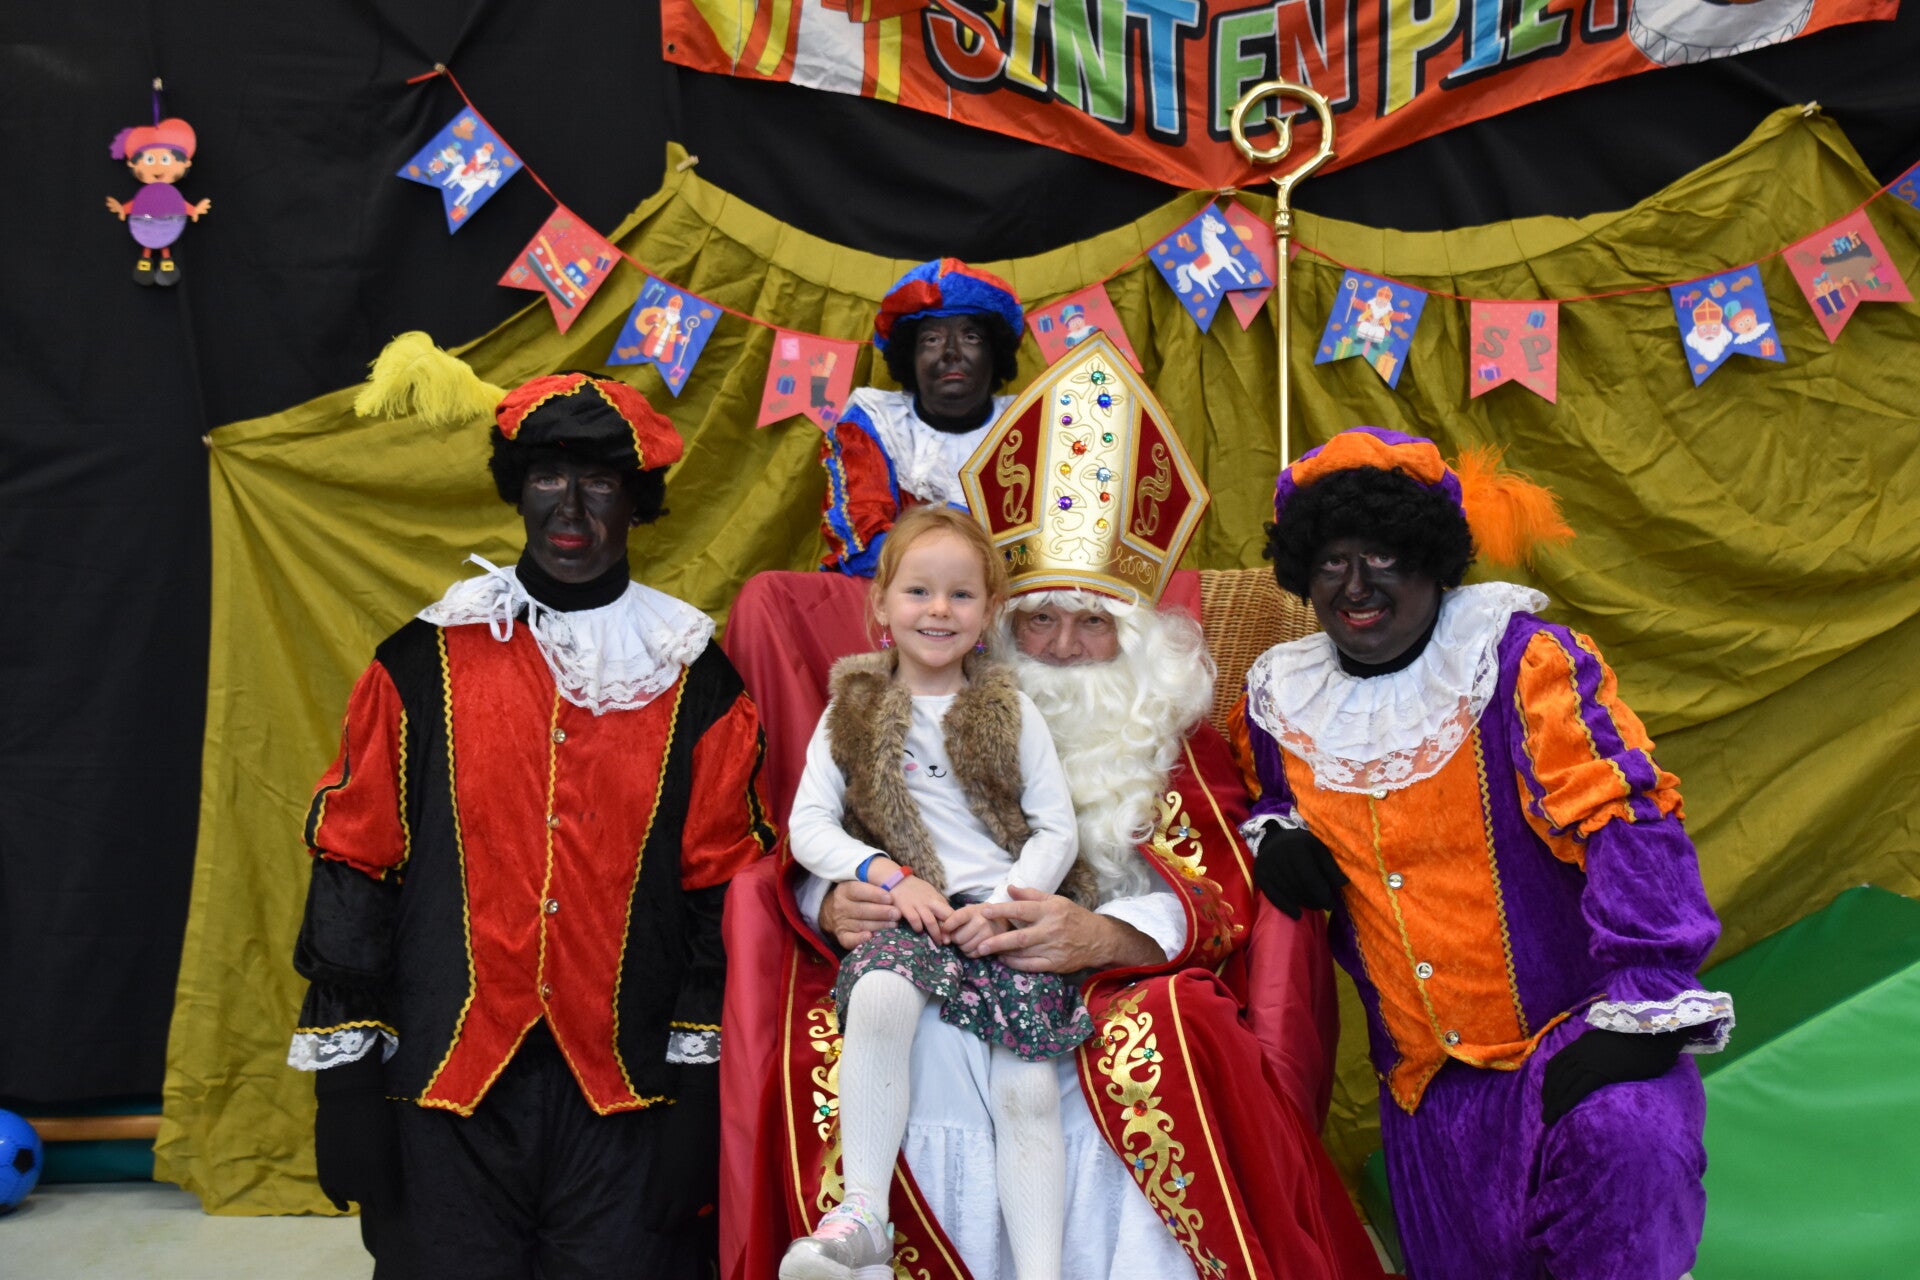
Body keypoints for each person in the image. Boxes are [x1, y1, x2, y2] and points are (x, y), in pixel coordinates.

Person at [725, 337, 1382, 1280]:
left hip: (1105, 978)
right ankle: (865, 1228)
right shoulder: (919, 704)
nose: (1066, 647)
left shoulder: (1171, 733)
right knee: (857, 1029)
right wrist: (833, 898)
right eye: (1040, 618)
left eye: (1094, 623)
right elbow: (824, 826)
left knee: (1161, 1039)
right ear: (993, 623)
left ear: (1137, 637)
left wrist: (1105, 935)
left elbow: (1222, 889)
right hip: (933, 941)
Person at [287, 352, 774, 1277]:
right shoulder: (420, 662)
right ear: (517, 489)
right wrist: (345, 1082)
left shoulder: (696, 678)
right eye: (549, 478)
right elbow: (355, 862)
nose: (572, 509)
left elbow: (723, 896)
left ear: (638, 504)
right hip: (447, 1089)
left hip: (628, 1099)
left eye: (601, 484)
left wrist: (702, 1095)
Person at [1242, 425, 1734, 1280]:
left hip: (1579, 1055)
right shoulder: (1284, 701)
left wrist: (1644, 1011)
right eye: (1330, 562)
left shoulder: (1522, 665)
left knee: (1624, 1214)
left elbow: (1627, 824)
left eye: (1383, 556)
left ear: (1432, 558)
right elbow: (1275, 793)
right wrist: (1277, 829)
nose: (1355, 586)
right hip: (1428, 1101)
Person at [781, 505, 1087, 1280]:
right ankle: (863, 1214)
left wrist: (1012, 903)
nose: (939, 610)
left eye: (960, 594)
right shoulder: (852, 708)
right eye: (919, 591)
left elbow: (1057, 829)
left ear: (988, 611)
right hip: (912, 911)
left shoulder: (1009, 707)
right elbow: (808, 826)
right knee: (881, 996)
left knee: (1026, 1087)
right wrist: (887, 874)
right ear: (881, 604)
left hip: (998, 917)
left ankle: (1041, 1271)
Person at [819, 258, 1024, 575]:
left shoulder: (1029, 421)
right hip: (900, 591)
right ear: (910, 358)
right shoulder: (874, 422)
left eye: (971, 337)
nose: (951, 353)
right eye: (932, 339)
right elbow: (864, 539)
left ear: (994, 354)